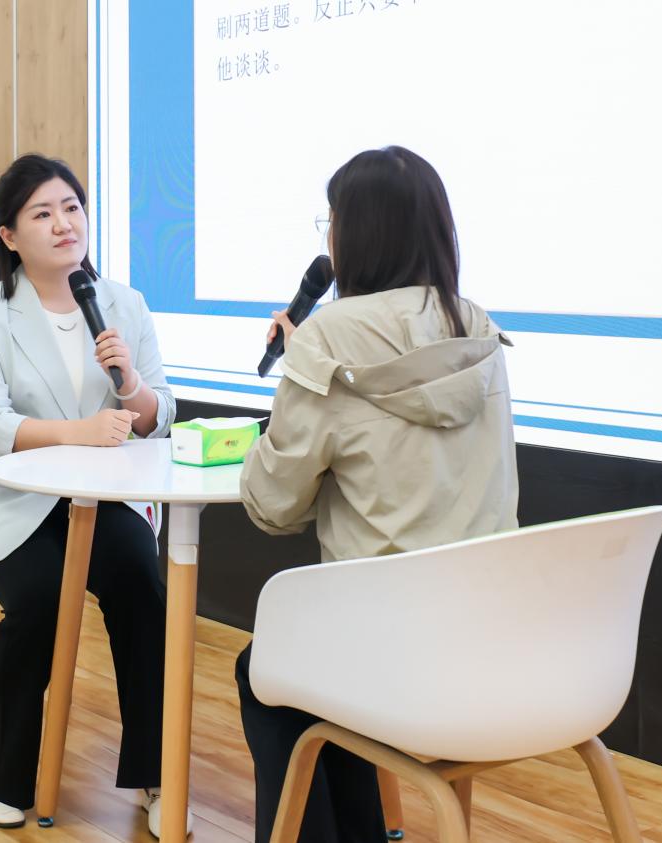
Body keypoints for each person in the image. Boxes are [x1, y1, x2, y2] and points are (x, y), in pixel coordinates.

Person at [236, 145, 520, 843]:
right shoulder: (476, 326)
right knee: (314, 661)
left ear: (353, 234)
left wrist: (299, 378)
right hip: (498, 646)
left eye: (330, 221)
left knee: (270, 671)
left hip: (387, 658)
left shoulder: (326, 338)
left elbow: (271, 506)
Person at [0, 153, 190, 837]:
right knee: (40, 599)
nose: (64, 224)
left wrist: (130, 385)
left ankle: (158, 774)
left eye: (72, 208)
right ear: (9, 235)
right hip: (12, 501)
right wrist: (77, 433)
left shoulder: (123, 303)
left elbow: (158, 415)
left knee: (143, 586)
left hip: (100, 499)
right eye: (43, 213)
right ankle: (1, 773)